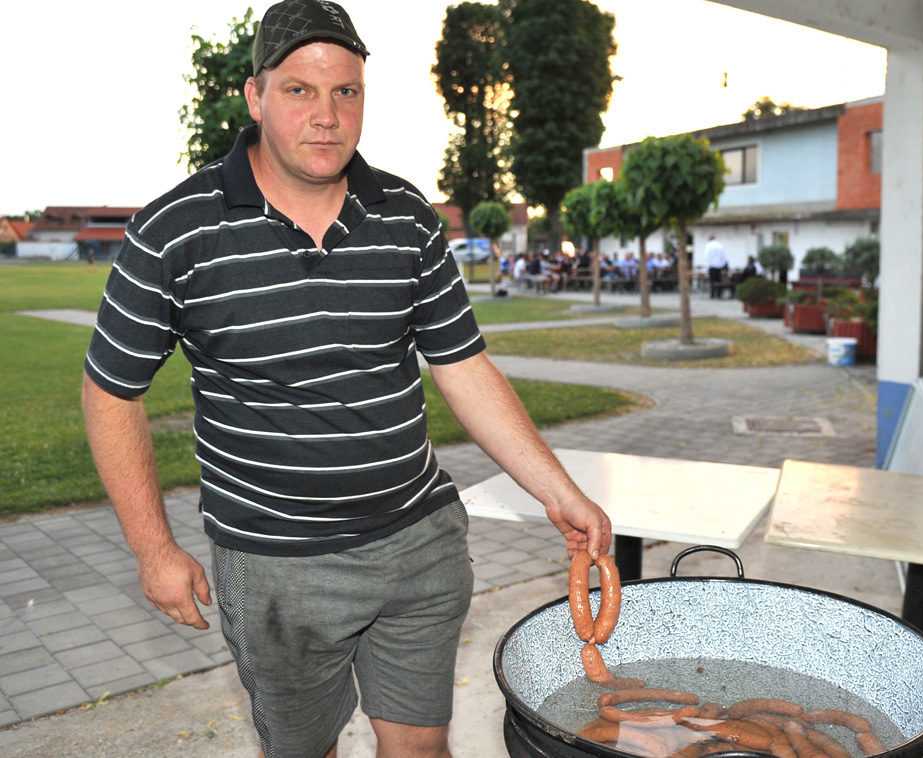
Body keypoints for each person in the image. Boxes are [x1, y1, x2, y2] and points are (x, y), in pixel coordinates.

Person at [79, 4, 611, 758]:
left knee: (421, 749)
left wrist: (558, 491)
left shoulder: (407, 216)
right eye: (299, 90)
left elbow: (461, 364)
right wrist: (152, 549)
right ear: (255, 96)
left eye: (346, 92)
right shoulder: (176, 231)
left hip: (418, 541)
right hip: (276, 565)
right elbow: (110, 392)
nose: (326, 115)